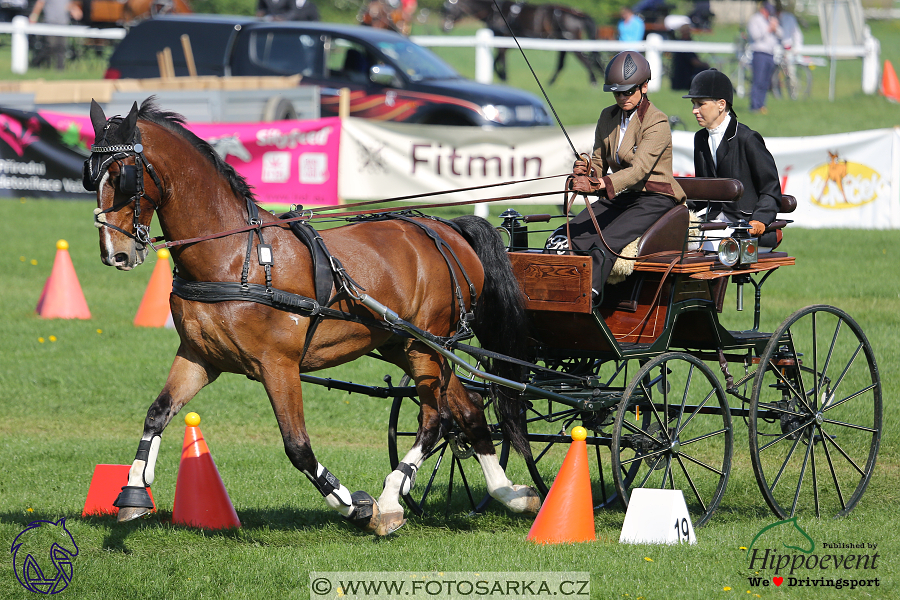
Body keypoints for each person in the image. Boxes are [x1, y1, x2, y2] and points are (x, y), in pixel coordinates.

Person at [559, 51, 686, 299]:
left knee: (604, 242)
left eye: (628, 91)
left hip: (654, 197)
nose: (622, 97)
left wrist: (597, 183)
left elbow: (638, 170)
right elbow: (598, 162)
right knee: (568, 235)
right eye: (617, 92)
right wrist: (586, 171)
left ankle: (589, 297)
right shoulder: (607, 117)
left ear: (644, 87)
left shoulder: (656, 122)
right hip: (620, 195)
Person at [682, 69, 781, 249]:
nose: (694, 110)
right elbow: (703, 193)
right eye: (693, 104)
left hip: (747, 228)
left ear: (721, 104)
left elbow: (771, 188)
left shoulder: (748, 139)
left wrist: (760, 220)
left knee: (698, 246)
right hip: (714, 223)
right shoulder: (700, 139)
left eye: (700, 104)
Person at [746, 2, 781, 113]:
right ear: (763, 10)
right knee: (758, 80)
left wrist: (775, 28)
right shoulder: (755, 20)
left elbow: (781, 34)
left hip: (770, 53)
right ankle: (754, 105)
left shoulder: (771, 19)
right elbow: (755, 36)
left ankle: (762, 104)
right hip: (759, 53)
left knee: (766, 81)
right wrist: (768, 29)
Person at [28, 0, 82, 70]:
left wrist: (75, 10)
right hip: (50, 22)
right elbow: (40, 3)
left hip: (63, 23)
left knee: (61, 47)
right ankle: (35, 63)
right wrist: (34, 16)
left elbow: (70, 4)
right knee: (50, 45)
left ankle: (60, 69)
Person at [670, 24, 710, 91]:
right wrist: (705, 65)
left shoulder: (679, 43)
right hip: (684, 77)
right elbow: (694, 62)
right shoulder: (685, 45)